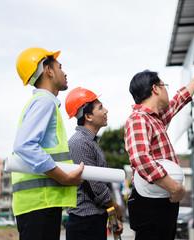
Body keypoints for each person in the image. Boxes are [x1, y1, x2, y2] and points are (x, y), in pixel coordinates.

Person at [124, 56, 194, 240]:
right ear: (155, 89)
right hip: (150, 202)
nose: (168, 91)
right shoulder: (139, 119)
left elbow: (179, 99)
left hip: (159, 199)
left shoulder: (155, 119)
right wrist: (175, 188)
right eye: (164, 86)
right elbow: (141, 159)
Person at [13, 47, 84, 240]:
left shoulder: (40, 102)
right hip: (40, 205)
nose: (65, 72)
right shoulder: (44, 102)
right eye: (60, 67)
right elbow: (24, 145)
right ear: (48, 70)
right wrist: (63, 177)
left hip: (38, 205)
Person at [65, 87, 123, 240]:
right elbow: (94, 186)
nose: (106, 111)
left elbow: (99, 189)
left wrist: (112, 218)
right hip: (84, 223)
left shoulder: (90, 142)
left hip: (92, 221)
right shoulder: (79, 142)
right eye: (100, 107)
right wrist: (115, 207)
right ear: (88, 116)